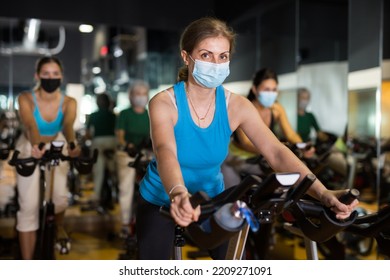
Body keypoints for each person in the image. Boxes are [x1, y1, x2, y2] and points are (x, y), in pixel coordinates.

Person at [137, 17, 358, 260]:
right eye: (206, 55)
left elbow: (276, 152)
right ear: (186, 57)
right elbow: (166, 150)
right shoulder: (164, 103)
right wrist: (179, 194)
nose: (216, 63)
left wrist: (323, 192)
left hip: (211, 198)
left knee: (235, 262)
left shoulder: (236, 106)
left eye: (223, 56)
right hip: (161, 197)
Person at [15, 56, 80, 259]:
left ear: (61, 77)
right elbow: (30, 124)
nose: (50, 78)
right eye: (46, 74)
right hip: (29, 144)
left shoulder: (69, 102)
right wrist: (36, 145)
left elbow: (68, 125)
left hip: (57, 142)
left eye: (55, 74)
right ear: (37, 76)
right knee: (28, 206)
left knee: (60, 199)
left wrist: (72, 143)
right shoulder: (26, 98)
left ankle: (57, 226)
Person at [222, 68, 311, 188]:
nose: (271, 93)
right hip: (237, 157)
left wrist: (302, 146)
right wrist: (275, 150)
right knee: (232, 196)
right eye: (266, 89)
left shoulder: (276, 109)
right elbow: (246, 143)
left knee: (293, 170)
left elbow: (290, 134)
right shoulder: (244, 108)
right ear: (255, 89)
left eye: (274, 90)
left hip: (261, 156)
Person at [116, 80, 151, 238]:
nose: (141, 97)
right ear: (131, 96)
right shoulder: (125, 114)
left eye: (143, 94)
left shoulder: (150, 114)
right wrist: (126, 145)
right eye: (137, 93)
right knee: (126, 187)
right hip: (128, 154)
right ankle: (125, 223)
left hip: (146, 153)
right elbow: (120, 136)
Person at [86, 92, 117, 208]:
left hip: (98, 142)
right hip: (112, 142)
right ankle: (116, 187)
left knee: (98, 169)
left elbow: (88, 134)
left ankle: (96, 195)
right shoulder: (114, 115)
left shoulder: (93, 116)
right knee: (114, 167)